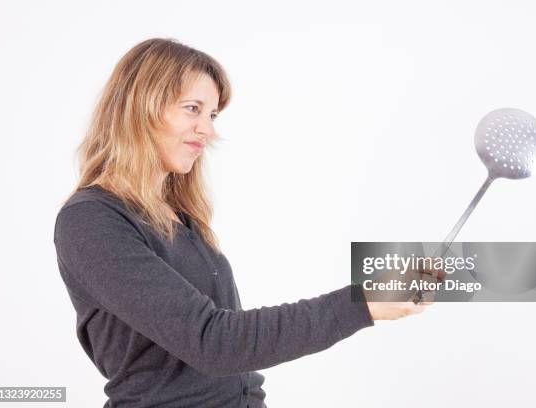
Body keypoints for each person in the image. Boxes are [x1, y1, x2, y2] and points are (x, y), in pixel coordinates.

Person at [53, 37, 433, 408]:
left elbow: (227, 356)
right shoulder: (90, 220)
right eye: (192, 108)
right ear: (140, 107)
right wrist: (362, 302)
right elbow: (214, 342)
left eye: (212, 114)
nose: (208, 129)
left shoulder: (181, 217)